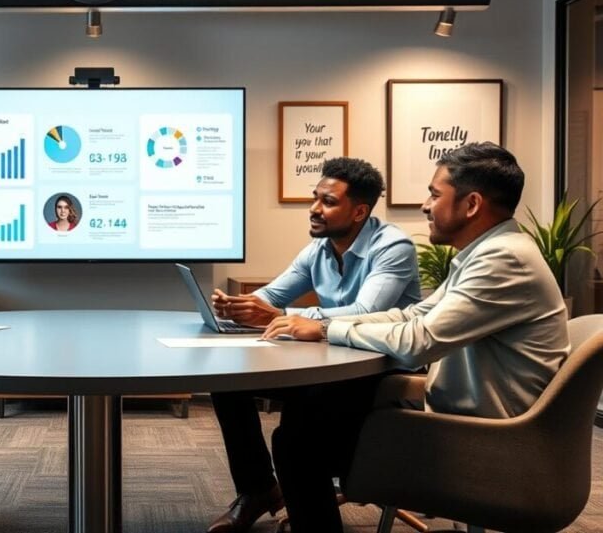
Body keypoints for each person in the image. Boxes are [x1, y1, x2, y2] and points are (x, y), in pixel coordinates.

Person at [263, 143, 570, 532]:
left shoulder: (502, 259)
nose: (425, 205)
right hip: (470, 417)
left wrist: (325, 327)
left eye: (434, 194)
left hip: (490, 440)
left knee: (300, 444)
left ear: (471, 204)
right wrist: (322, 326)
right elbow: (412, 315)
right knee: (309, 414)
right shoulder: (486, 252)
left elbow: (419, 340)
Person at [205, 157, 421, 533]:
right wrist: (236, 308)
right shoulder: (318, 249)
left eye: (328, 202)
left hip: (381, 370)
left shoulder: (393, 247)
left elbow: (365, 311)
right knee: (229, 383)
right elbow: (271, 295)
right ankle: (258, 490)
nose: (314, 209)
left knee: (297, 435)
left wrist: (282, 314)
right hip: (329, 360)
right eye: (315, 198)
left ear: (359, 212)